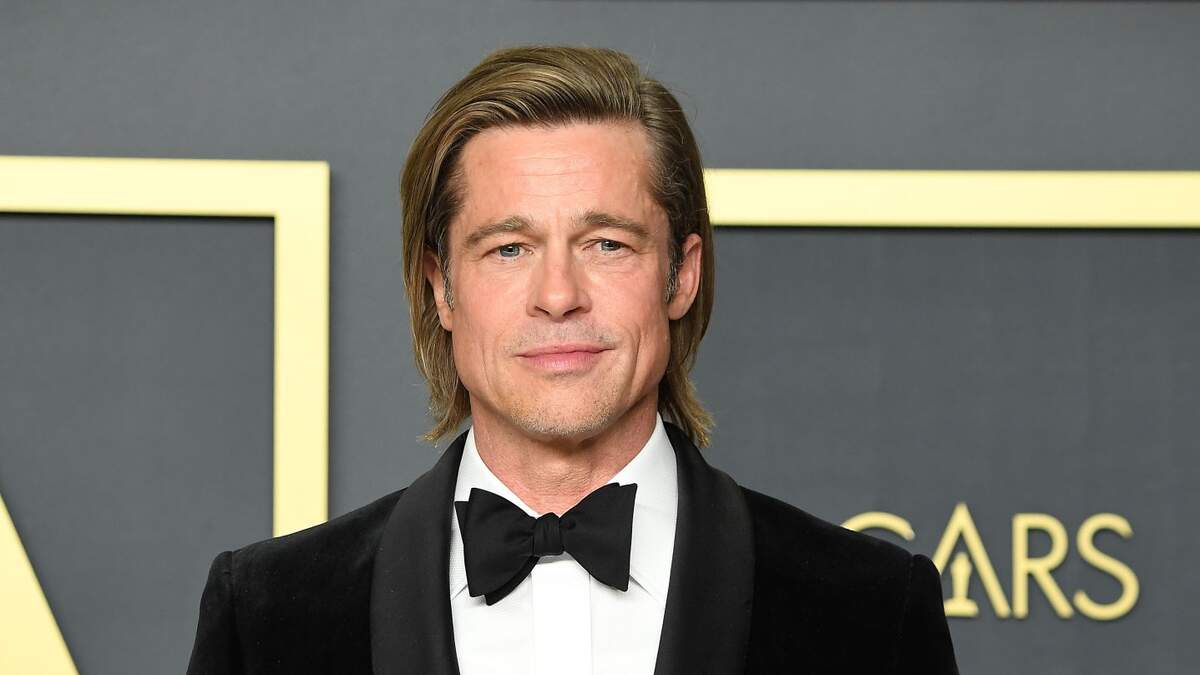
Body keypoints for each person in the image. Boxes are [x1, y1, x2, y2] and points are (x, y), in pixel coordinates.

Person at [186, 45, 958, 675]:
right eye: (509, 248)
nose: (558, 295)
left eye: (606, 244)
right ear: (441, 288)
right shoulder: (266, 615)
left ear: (681, 275)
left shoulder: (873, 613)